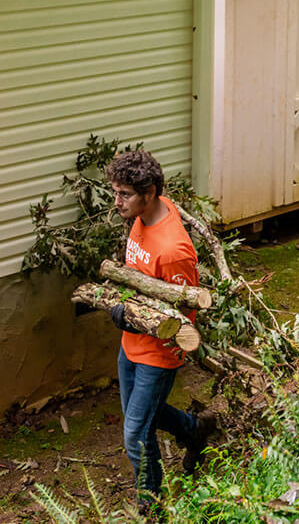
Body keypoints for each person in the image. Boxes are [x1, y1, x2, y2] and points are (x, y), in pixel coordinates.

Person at [106, 149, 217, 517]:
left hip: (159, 352)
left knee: (135, 434)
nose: (116, 202)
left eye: (124, 194)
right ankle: (194, 430)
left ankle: (151, 506)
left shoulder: (174, 250)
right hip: (131, 344)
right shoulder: (148, 211)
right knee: (144, 419)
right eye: (115, 192)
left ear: (149, 192)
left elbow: (186, 309)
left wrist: (133, 317)